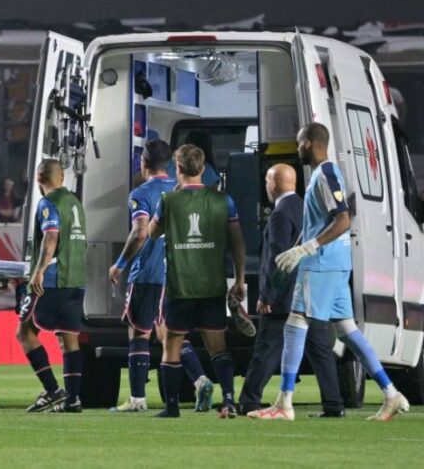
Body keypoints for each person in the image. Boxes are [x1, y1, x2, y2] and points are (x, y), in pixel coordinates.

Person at [250, 123, 410, 422]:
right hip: (337, 262)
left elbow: (343, 219)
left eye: (299, 143)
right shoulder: (327, 174)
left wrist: (307, 247)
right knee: (347, 331)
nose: (297, 149)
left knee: (294, 324)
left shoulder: (324, 174)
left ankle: (284, 404)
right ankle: (390, 393)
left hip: (322, 262)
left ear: (310, 142)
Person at [109, 140, 215, 413]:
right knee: (170, 333)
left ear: (143, 163)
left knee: (139, 332)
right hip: (177, 275)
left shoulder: (141, 193)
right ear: (169, 163)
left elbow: (140, 231)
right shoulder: (180, 190)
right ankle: (200, 378)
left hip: (147, 274)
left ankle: (137, 399)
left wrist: (120, 264)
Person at [238, 163, 344, 417]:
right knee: (320, 350)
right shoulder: (305, 208)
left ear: (273, 184)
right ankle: (334, 404)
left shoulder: (280, 214)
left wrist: (267, 296)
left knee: (267, 348)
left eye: (267, 180)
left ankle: (248, 401)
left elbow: (279, 258)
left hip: (285, 297)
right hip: (311, 292)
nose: (266, 185)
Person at [147, 144, 246, 418]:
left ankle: (172, 407)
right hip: (211, 286)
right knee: (218, 347)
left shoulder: (168, 200)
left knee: (172, 346)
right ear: (203, 169)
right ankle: (228, 401)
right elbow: (237, 242)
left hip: (180, 287)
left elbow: (152, 234)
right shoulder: (222, 200)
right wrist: (239, 279)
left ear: (176, 169)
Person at [16, 159, 86, 413]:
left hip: (54, 280)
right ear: (62, 178)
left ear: (38, 180)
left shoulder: (49, 203)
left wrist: (39, 271)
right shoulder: (74, 202)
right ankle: (73, 399)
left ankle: (53, 390)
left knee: (24, 332)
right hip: (76, 278)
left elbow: (52, 234)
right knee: (69, 339)